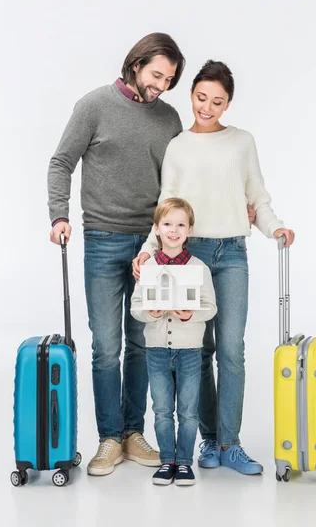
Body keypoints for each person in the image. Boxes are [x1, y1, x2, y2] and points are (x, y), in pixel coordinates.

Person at [133, 60, 295, 475]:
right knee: (199, 350)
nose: (207, 107)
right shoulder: (178, 146)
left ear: (228, 104)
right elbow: (167, 205)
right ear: (191, 96)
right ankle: (207, 441)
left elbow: (257, 198)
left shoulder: (242, 142)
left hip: (232, 254)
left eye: (217, 102)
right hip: (191, 256)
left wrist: (275, 228)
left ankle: (230, 444)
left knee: (232, 351)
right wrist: (150, 249)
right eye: (201, 98)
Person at [47, 33, 186, 476]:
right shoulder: (94, 106)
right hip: (103, 240)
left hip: (151, 246)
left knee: (141, 344)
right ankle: (108, 439)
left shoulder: (169, 119)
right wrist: (58, 216)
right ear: (136, 64)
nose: (161, 86)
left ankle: (132, 432)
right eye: (156, 74)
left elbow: (180, 181)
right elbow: (61, 162)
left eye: (169, 79)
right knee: (106, 347)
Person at [131, 198, 217, 486]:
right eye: (167, 224)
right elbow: (135, 306)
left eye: (181, 225)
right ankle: (167, 460)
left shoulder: (199, 268)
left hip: (190, 351)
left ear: (189, 230)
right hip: (156, 351)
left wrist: (191, 313)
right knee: (162, 409)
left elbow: (211, 307)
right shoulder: (149, 267)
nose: (173, 230)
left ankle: (184, 462)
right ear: (156, 229)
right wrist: (149, 313)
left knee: (188, 410)